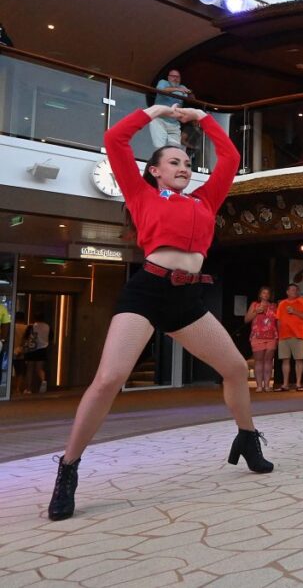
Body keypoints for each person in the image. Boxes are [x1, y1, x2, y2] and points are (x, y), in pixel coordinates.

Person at [47, 104, 271, 522]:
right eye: (174, 162)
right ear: (154, 171)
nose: (184, 167)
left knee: (236, 370)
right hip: (148, 292)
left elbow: (231, 159)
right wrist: (153, 112)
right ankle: (68, 468)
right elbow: (115, 139)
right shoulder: (140, 193)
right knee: (109, 378)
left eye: (187, 162)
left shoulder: (206, 200)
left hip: (187, 300)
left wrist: (203, 119)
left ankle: (247, 438)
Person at [276, 284, 303, 391]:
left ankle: (298, 384)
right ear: (287, 292)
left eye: (296, 290)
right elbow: (278, 320)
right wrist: (279, 334)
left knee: (299, 360)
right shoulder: (282, 303)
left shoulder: (302, 301)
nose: (294, 291)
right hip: (284, 335)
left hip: (298, 334)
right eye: (292, 290)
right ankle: (285, 384)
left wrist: (294, 311)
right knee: (285, 360)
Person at [244, 287, 277, 393]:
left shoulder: (274, 306)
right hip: (257, 336)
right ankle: (259, 386)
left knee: (268, 361)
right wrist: (256, 312)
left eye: (268, 293)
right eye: (264, 293)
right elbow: (246, 319)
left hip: (271, 336)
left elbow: (278, 321)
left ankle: (267, 385)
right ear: (260, 294)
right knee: (259, 361)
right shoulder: (254, 305)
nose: (266, 295)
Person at [149, 69, 192, 148]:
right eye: (173, 76)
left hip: (174, 123)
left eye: (177, 77)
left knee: (175, 149)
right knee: (160, 147)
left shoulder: (182, 87)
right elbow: (160, 90)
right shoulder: (163, 82)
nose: (175, 79)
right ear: (168, 77)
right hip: (159, 120)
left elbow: (191, 99)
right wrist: (177, 89)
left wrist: (190, 93)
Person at [19, 311, 51, 393]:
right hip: (43, 349)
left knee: (30, 369)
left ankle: (28, 389)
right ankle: (43, 380)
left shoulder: (31, 326)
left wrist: (22, 347)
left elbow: (25, 337)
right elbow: (50, 337)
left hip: (32, 350)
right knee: (39, 369)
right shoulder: (47, 326)